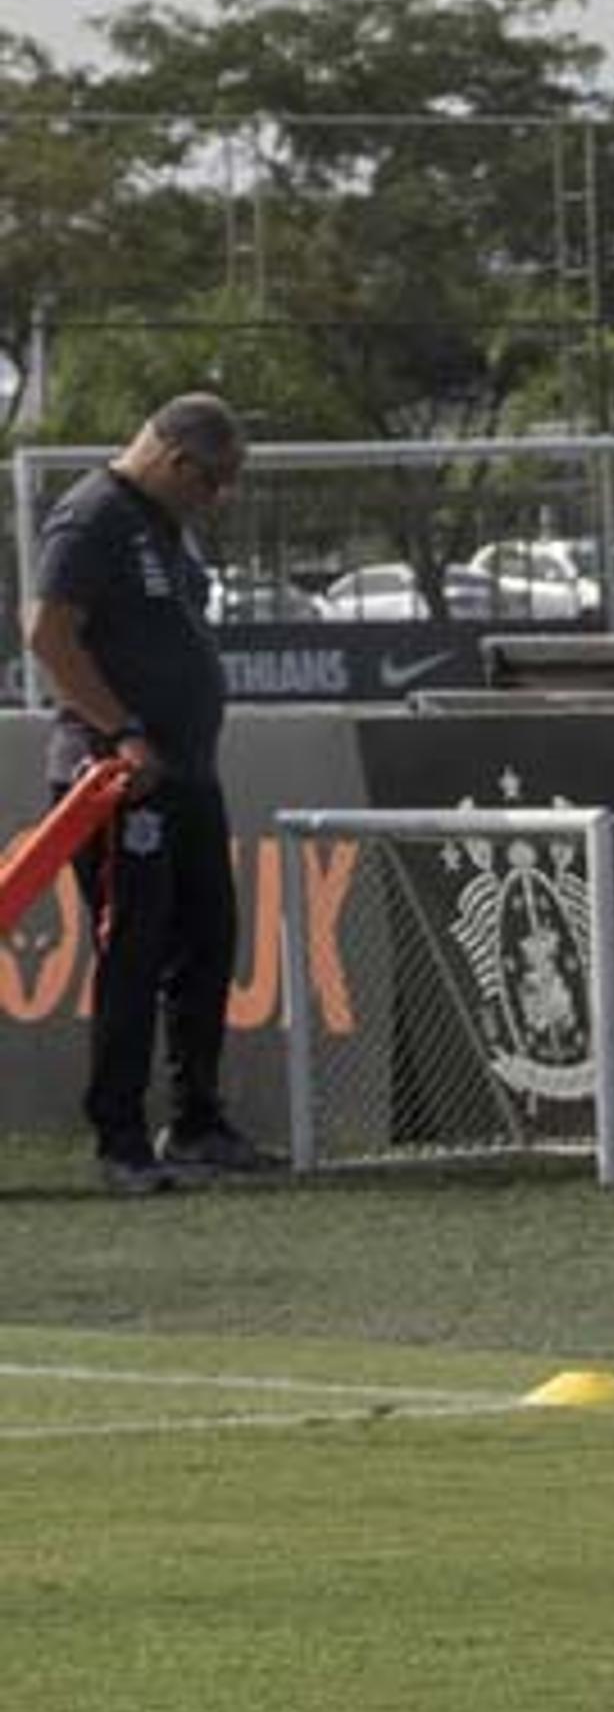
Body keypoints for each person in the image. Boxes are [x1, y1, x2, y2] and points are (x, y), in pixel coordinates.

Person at [21, 394, 274, 1195]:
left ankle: (197, 1121)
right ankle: (121, 1142)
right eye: (214, 480)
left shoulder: (160, 522)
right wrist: (123, 728)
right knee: (131, 953)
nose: (219, 497)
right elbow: (46, 632)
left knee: (208, 940)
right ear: (174, 460)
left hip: (186, 774)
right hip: (117, 782)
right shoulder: (92, 516)